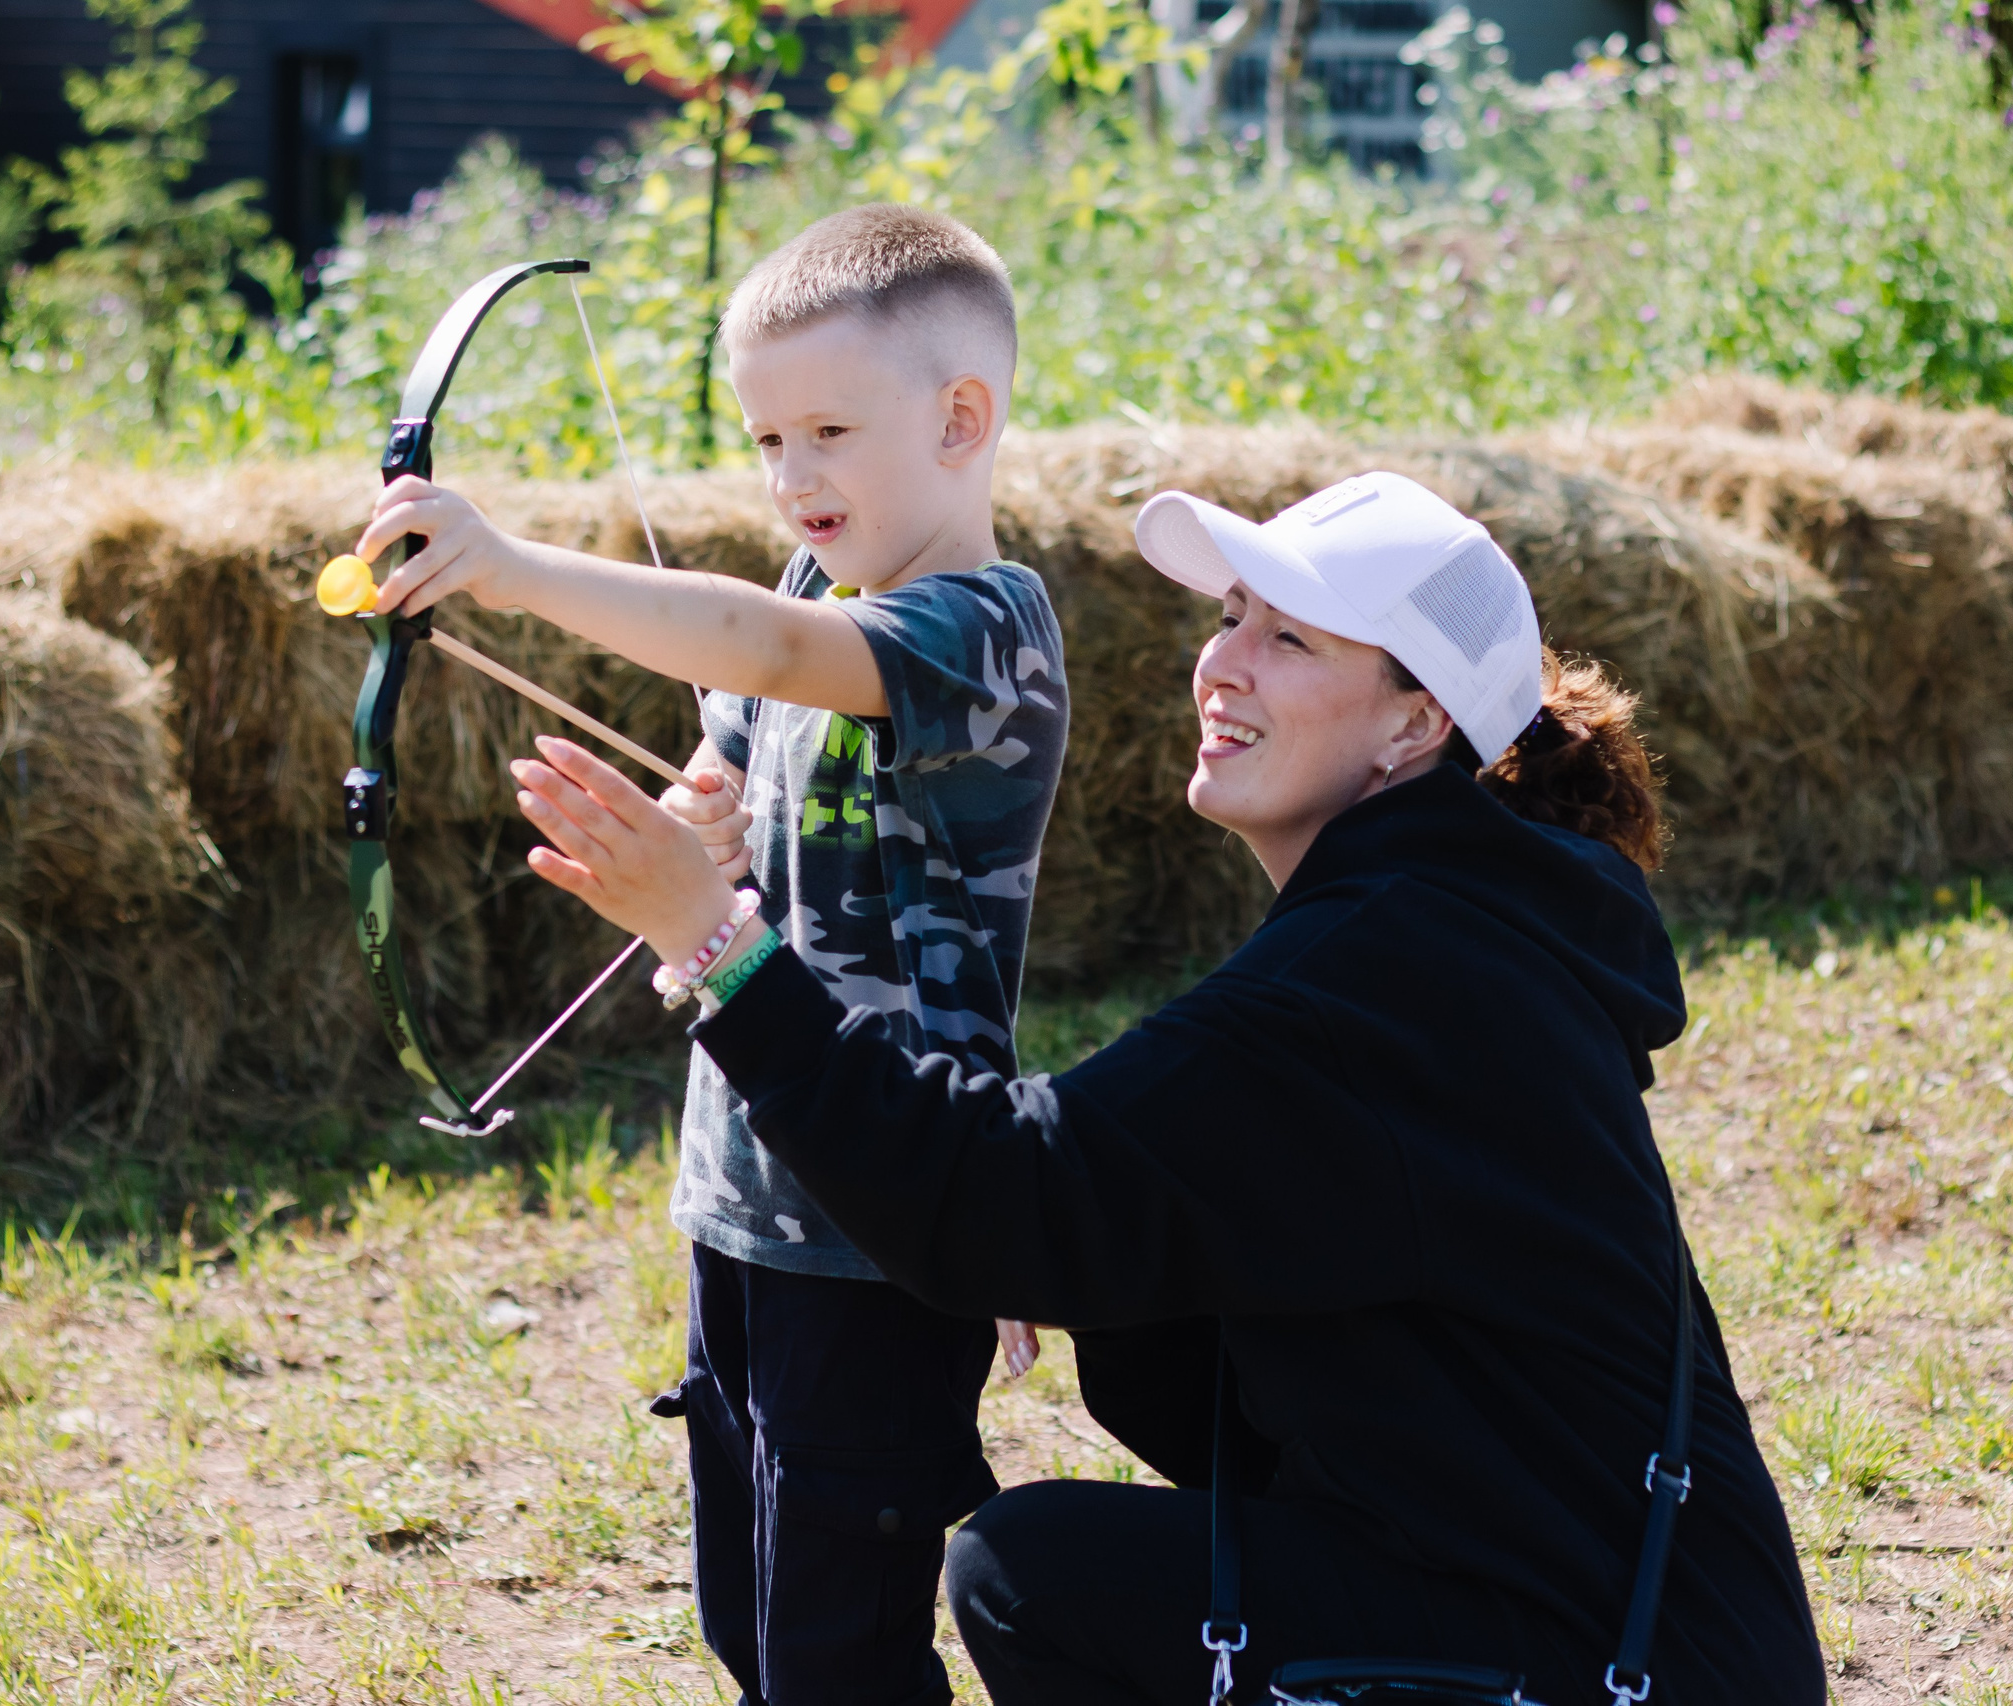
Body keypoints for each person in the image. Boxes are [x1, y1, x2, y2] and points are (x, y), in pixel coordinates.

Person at [508, 471, 1823, 1703]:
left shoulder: (1381, 971)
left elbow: (1010, 1195)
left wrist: (719, 944)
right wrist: (1053, 1233)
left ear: (1414, 722)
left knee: (1035, 1577)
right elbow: (1107, 1203)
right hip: (1639, 1622)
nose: (1222, 662)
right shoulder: (1452, 930)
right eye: (1233, 615)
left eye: (1290, 639)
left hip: (1607, 1658)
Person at [355, 206, 1070, 1705]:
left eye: (829, 432)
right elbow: (740, 751)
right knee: (751, 1626)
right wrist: (703, 820)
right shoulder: (813, 591)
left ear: (961, 419)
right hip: (742, 1192)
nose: (792, 478)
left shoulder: (985, 631)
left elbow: (763, 652)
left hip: (882, 1213)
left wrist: (506, 564)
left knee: (838, 1652)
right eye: (765, 441)